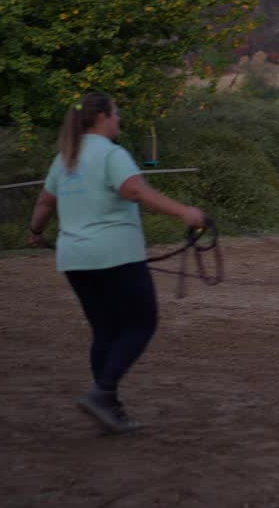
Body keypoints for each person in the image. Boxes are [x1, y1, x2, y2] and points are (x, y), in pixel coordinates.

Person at [28, 92, 205, 434]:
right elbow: (135, 191)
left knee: (105, 330)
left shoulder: (65, 158)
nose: (118, 120)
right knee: (141, 323)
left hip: (75, 258)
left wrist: (35, 231)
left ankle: (106, 401)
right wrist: (186, 212)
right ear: (102, 118)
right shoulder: (113, 154)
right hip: (115, 254)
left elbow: (45, 201)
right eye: (116, 114)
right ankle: (104, 392)